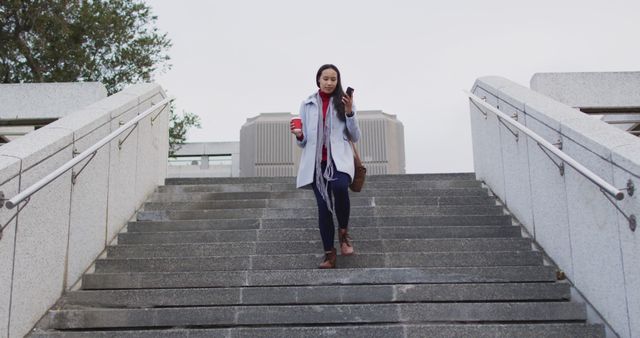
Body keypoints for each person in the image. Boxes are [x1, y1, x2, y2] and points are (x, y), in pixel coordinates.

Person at [290, 64, 361, 269]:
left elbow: (355, 136)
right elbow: (303, 141)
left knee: (339, 187)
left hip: (339, 161)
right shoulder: (308, 104)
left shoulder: (345, 102)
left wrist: (349, 113)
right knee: (324, 208)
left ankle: (344, 233)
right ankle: (329, 254)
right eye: (326, 78)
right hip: (316, 164)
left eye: (334, 79)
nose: (330, 82)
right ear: (318, 80)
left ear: (338, 81)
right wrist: (299, 135)